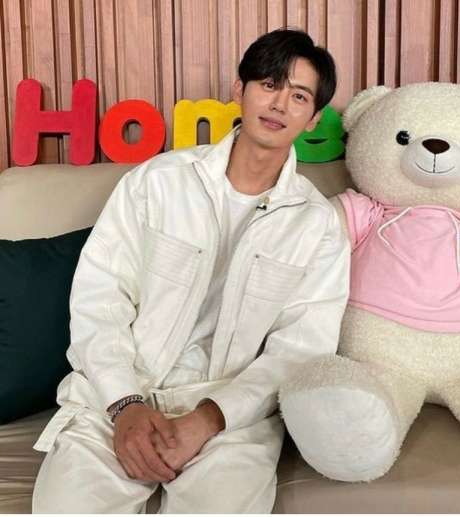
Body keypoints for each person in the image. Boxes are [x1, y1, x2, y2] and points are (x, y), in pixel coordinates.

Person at [32, 28, 349, 513]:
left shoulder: (318, 225)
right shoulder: (157, 182)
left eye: (299, 96)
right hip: (119, 393)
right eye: (269, 84)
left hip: (230, 414)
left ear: (313, 119)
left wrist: (210, 418)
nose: (280, 104)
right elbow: (100, 299)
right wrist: (125, 403)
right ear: (239, 89)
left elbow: (301, 350)